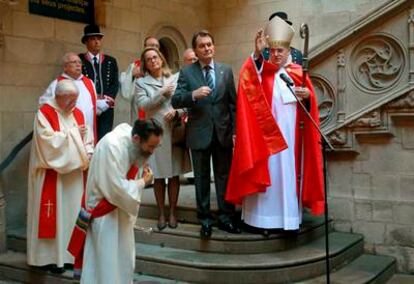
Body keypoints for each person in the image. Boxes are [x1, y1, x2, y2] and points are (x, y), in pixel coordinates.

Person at [225, 16, 324, 235]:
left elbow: (310, 106)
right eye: (273, 51)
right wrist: (258, 53)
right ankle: (261, 221)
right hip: (266, 141)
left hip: (290, 140)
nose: (276, 55)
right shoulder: (262, 73)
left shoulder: (298, 73)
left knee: (287, 176)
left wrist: (308, 96)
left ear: (289, 51)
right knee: (267, 174)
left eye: (281, 51)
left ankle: (287, 220)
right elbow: (247, 80)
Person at [75, 119, 162, 284]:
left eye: (155, 147)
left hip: (119, 211)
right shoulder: (112, 147)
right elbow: (116, 189)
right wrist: (143, 182)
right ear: (136, 138)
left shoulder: (132, 144)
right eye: (150, 147)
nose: (152, 152)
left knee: (123, 260)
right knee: (105, 266)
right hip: (105, 216)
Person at [172, 30, 240, 238]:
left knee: (223, 177)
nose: (207, 48)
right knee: (201, 178)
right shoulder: (187, 72)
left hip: (223, 133)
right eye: (202, 46)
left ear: (214, 46)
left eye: (209, 44)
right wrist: (193, 94)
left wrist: (236, 132)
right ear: (196, 50)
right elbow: (176, 100)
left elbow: (232, 104)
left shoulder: (225, 71)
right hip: (199, 133)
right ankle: (205, 220)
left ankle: (226, 218)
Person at [27, 80, 94, 273]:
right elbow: (47, 144)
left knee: (71, 216)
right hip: (52, 176)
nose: (74, 105)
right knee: (53, 217)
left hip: (74, 178)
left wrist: (89, 150)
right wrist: (73, 135)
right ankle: (48, 259)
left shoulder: (78, 113)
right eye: (70, 100)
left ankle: (71, 257)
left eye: (76, 100)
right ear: (58, 97)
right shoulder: (45, 113)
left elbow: (87, 139)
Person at [134, 47, 191, 230]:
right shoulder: (141, 83)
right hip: (155, 133)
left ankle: (173, 212)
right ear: (146, 64)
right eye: (149, 59)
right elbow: (143, 104)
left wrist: (178, 112)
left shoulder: (175, 77)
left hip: (174, 131)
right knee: (158, 176)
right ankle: (161, 213)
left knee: (174, 175)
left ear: (161, 58)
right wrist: (161, 94)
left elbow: (187, 103)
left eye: (155, 57)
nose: (153, 60)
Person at [39, 52, 97, 141]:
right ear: (65, 67)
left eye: (79, 62)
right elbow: (45, 106)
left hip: (88, 129)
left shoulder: (89, 83)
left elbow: (94, 105)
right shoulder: (56, 84)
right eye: (74, 62)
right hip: (67, 132)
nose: (78, 65)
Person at [79, 24, 119, 140]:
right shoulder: (80, 60)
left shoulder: (110, 61)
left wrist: (105, 103)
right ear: (86, 42)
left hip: (106, 109)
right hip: (87, 108)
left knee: (104, 139)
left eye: (98, 39)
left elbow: (114, 84)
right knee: (88, 139)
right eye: (92, 39)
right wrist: (93, 102)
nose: (96, 42)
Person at [119, 36, 161, 121]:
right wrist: (132, 75)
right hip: (139, 111)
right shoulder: (135, 66)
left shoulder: (163, 67)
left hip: (159, 111)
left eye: (157, 46)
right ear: (145, 47)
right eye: (152, 45)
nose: (155, 48)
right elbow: (125, 93)